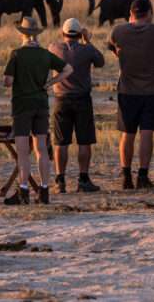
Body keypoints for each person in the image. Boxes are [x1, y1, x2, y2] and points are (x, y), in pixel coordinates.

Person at [2, 16, 73, 205]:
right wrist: (50, 82)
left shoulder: (16, 54)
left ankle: (24, 189)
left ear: (22, 34)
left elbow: (7, 82)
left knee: (23, 151)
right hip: (41, 104)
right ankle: (43, 190)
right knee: (41, 148)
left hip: (22, 105)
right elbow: (68, 70)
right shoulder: (45, 54)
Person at [108, 0, 154, 189]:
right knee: (146, 133)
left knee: (127, 133)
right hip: (152, 90)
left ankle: (126, 176)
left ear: (130, 14)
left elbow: (111, 45)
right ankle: (142, 176)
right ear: (149, 13)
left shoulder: (118, 30)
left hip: (127, 91)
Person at [48, 17, 105, 193]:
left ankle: (60, 180)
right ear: (80, 34)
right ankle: (83, 179)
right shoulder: (86, 50)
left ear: (62, 33)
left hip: (61, 99)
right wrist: (88, 41)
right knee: (84, 141)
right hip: (82, 98)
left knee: (61, 142)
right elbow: (101, 62)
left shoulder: (53, 48)